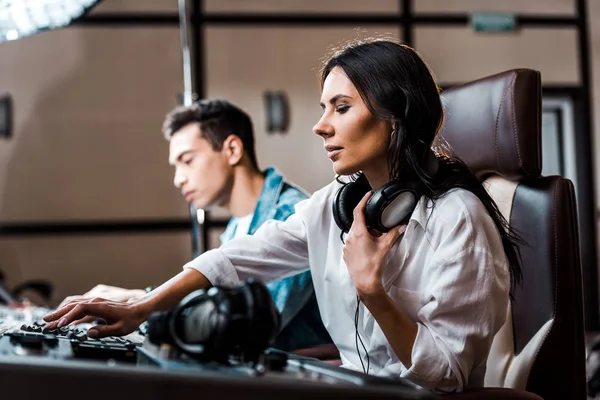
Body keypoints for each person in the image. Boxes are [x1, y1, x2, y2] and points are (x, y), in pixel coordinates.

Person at [44, 39, 522, 393]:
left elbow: (447, 377)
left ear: (394, 115)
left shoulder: (460, 217)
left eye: (341, 107)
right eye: (323, 108)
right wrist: (143, 307)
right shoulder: (338, 203)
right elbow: (239, 257)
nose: (320, 125)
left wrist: (372, 291)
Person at [56, 99, 331, 352]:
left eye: (187, 161)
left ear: (232, 149)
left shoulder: (289, 213)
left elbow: (242, 326)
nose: (178, 179)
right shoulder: (237, 226)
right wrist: (137, 299)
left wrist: (141, 302)